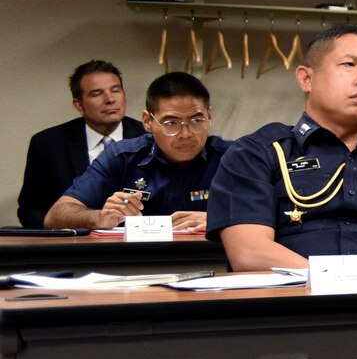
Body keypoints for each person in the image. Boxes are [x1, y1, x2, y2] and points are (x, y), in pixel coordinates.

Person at [207, 25, 357, 269]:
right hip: (292, 300)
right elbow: (249, 254)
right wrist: (342, 281)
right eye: (349, 65)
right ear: (306, 78)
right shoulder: (257, 152)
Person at [45, 72, 229, 231]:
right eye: (171, 123)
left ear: (210, 117)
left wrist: (221, 221)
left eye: (197, 121)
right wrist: (100, 217)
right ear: (148, 121)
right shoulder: (122, 157)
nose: (186, 134)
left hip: (208, 260)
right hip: (135, 262)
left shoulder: (232, 158)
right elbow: (55, 216)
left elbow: (259, 210)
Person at [17, 59, 144, 228]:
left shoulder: (148, 137)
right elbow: (30, 211)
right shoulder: (48, 144)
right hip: (74, 244)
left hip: (138, 244)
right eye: (97, 94)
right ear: (79, 105)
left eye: (116, 90)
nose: (110, 99)